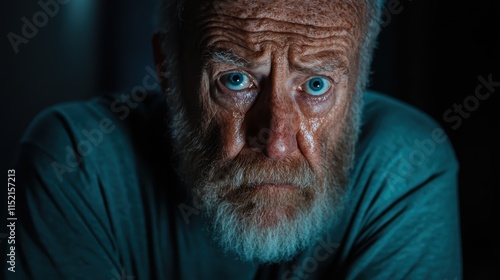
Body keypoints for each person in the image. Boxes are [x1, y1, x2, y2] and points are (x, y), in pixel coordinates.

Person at [4, 0, 462, 279]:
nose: (277, 141)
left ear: (361, 81)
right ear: (168, 69)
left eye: (316, 85)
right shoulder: (69, 161)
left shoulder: (407, 169)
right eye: (237, 79)